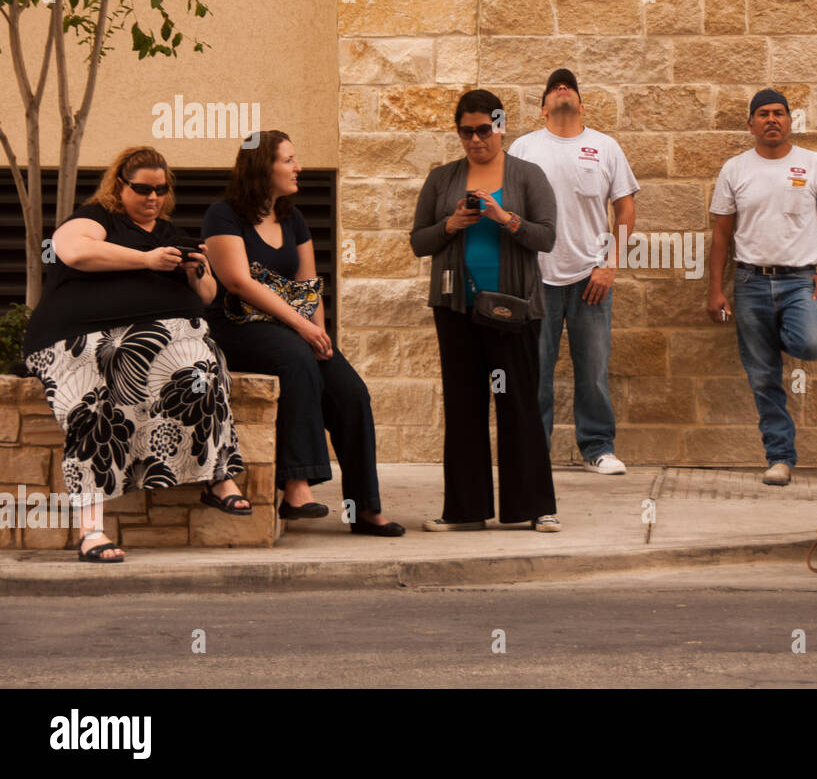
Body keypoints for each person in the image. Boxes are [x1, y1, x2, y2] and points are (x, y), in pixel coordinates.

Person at [22, 147, 248, 563]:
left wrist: (197, 271)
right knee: (95, 405)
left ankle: (218, 476)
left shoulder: (167, 233)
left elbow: (209, 295)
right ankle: (91, 531)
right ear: (119, 185)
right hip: (77, 338)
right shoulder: (97, 217)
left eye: (161, 189)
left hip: (156, 341)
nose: (153, 197)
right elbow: (71, 250)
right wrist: (146, 260)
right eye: (142, 188)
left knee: (201, 362)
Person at [203, 131, 403, 536]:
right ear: (263, 166)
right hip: (235, 327)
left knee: (350, 391)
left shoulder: (292, 218)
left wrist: (320, 336)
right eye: (289, 160)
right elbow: (239, 282)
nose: (299, 167)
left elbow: (309, 285)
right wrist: (300, 328)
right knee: (295, 358)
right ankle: (297, 486)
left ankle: (363, 508)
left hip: (290, 331)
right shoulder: (223, 215)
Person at [410, 89, 561, 533]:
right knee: (463, 407)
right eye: (466, 131)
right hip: (456, 308)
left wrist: (504, 217)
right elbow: (420, 241)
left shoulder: (528, 175)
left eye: (484, 130)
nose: (476, 139)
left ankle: (534, 507)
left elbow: (547, 237)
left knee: (518, 405)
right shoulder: (442, 179)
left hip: (513, 311)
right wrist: (450, 224)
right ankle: (464, 510)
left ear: (500, 126)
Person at [707, 88, 817, 486]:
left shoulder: (814, 164)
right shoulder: (735, 169)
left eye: (779, 113)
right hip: (750, 282)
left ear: (790, 121)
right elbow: (721, 234)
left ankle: (771, 340)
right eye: (764, 114)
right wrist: (715, 290)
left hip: (799, 281)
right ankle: (780, 458)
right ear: (751, 123)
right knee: (763, 377)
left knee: (812, 343)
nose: (772, 120)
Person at [507, 68, 639, 475]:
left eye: (570, 87)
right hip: (536, 279)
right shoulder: (524, 148)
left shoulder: (605, 147)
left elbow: (626, 208)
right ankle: (532, 451)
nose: (562, 89)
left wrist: (610, 265)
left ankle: (598, 447)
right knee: (535, 372)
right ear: (543, 107)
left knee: (594, 370)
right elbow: (509, 210)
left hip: (591, 278)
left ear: (581, 105)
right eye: (553, 87)